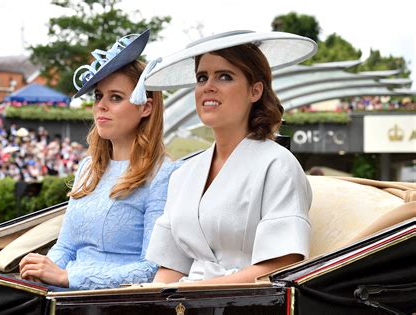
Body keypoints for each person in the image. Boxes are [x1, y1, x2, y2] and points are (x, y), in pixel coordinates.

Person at [144, 31, 317, 284]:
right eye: (202, 78)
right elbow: (170, 267)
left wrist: (198, 292)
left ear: (255, 91)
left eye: (224, 76)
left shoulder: (278, 165)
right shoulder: (183, 174)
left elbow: (283, 263)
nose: (208, 87)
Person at [19, 29, 181, 290]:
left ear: (146, 107)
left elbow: (153, 268)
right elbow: (67, 245)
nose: (101, 106)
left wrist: (68, 278)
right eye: (98, 96)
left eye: (115, 97)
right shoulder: (88, 167)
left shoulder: (165, 174)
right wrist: (41, 272)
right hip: (61, 295)